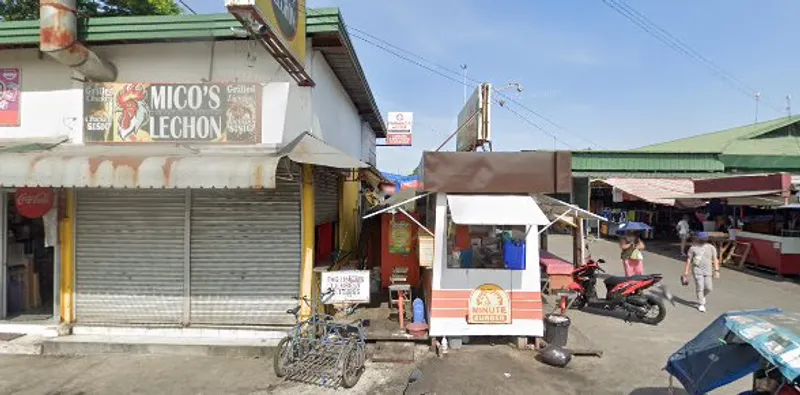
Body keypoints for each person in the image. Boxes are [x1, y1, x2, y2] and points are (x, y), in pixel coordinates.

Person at [683, 234, 720, 313]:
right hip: (697, 269)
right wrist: (686, 272)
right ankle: (701, 304)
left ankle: (702, 296)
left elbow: (715, 259)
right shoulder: (693, 248)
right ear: (698, 239)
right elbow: (689, 260)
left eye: (705, 239)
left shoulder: (711, 247)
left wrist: (716, 270)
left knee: (709, 288)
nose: (703, 240)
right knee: (700, 286)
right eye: (702, 239)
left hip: (708, 270)